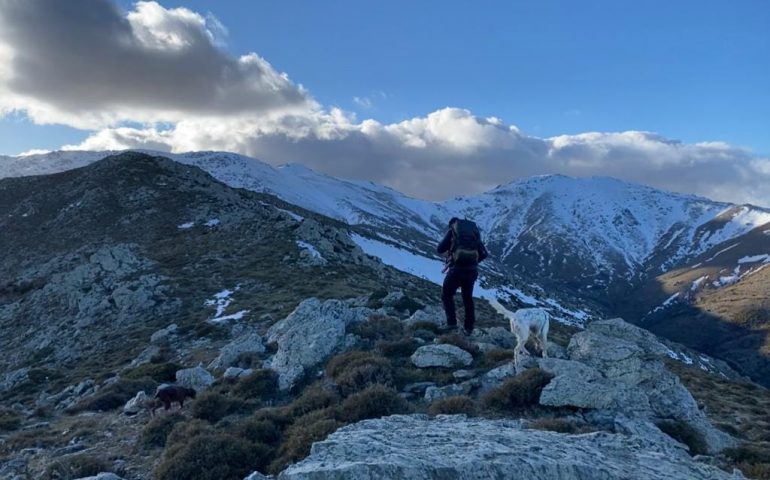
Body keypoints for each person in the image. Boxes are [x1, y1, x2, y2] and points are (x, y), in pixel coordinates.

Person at [437, 217, 488, 335]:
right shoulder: (474, 234)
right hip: (471, 271)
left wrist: (453, 255)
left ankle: (451, 323)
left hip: (456, 270)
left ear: (452, 225)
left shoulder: (452, 231)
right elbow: (484, 254)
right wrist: (473, 263)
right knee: (467, 299)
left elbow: (440, 249)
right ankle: (469, 327)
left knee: (447, 294)